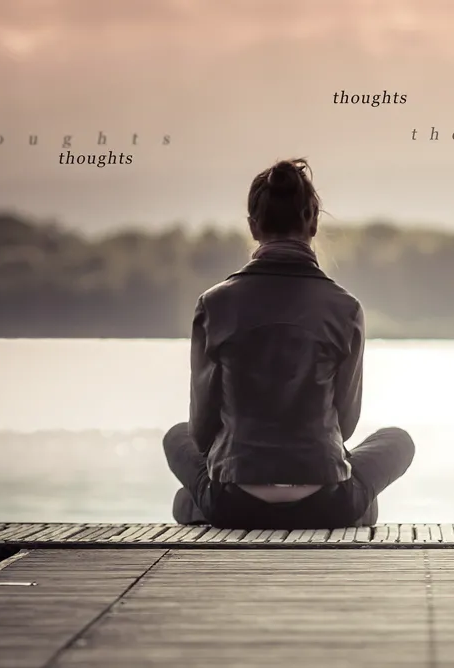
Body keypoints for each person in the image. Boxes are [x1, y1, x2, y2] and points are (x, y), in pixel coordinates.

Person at [163, 157, 414, 529]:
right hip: (326, 503)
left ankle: (199, 505)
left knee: (177, 440)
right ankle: (358, 505)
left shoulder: (214, 304)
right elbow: (344, 425)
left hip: (235, 503)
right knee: (398, 441)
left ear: (252, 227)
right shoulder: (345, 307)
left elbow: (200, 432)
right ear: (313, 222)